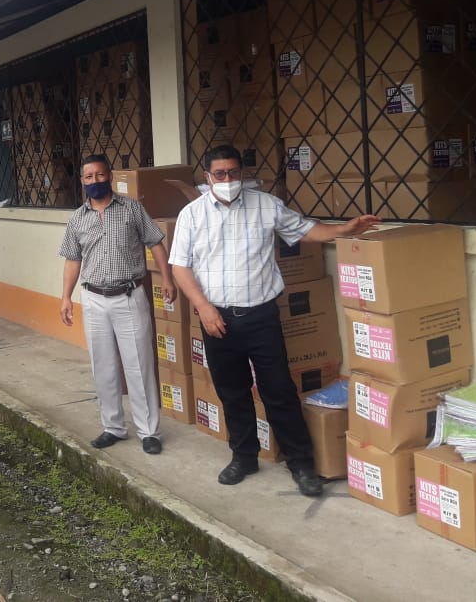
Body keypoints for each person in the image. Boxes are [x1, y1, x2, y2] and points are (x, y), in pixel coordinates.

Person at [169, 145, 381, 497]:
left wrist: (345, 229)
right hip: (217, 318)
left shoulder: (266, 206)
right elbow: (180, 266)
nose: (227, 179)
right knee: (232, 392)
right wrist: (203, 308)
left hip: (262, 316)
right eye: (219, 174)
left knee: (279, 391)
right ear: (207, 177)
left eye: (233, 172)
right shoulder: (191, 215)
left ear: (241, 173)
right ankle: (244, 456)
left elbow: (306, 230)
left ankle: (301, 464)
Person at [59, 154, 176, 455]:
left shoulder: (132, 208)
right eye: (88, 177)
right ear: (82, 181)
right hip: (93, 299)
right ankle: (113, 427)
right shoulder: (77, 219)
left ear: (109, 176)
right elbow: (72, 260)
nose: (95, 181)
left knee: (139, 364)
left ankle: (148, 431)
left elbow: (155, 243)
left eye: (100, 175)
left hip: (129, 296)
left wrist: (167, 279)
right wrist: (65, 297)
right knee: (103, 366)